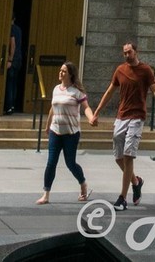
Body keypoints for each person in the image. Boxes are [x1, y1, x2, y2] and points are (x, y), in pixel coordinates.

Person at [90, 40, 155, 209]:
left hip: (137, 117)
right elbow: (110, 91)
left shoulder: (146, 70)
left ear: (136, 52)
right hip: (121, 116)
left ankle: (122, 198)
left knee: (129, 156)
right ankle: (136, 182)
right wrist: (97, 112)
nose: (126, 55)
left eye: (129, 52)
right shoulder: (120, 70)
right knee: (118, 158)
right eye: (124, 53)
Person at [35, 61, 91, 204]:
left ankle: (83, 183)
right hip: (56, 131)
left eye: (64, 71)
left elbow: (86, 107)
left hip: (71, 133)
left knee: (70, 163)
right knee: (51, 163)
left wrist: (91, 117)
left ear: (71, 74)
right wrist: (48, 125)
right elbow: (52, 108)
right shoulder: (56, 89)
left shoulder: (76, 92)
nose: (61, 73)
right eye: (60, 70)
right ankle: (46, 194)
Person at [4, 17, 23, 114]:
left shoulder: (11, 29)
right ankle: (12, 105)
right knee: (14, 83)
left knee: (10, 84)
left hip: (13, 60)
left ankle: (9, 106)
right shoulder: (19, 29)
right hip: (19, 59)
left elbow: (13, 43)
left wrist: (10, 59)